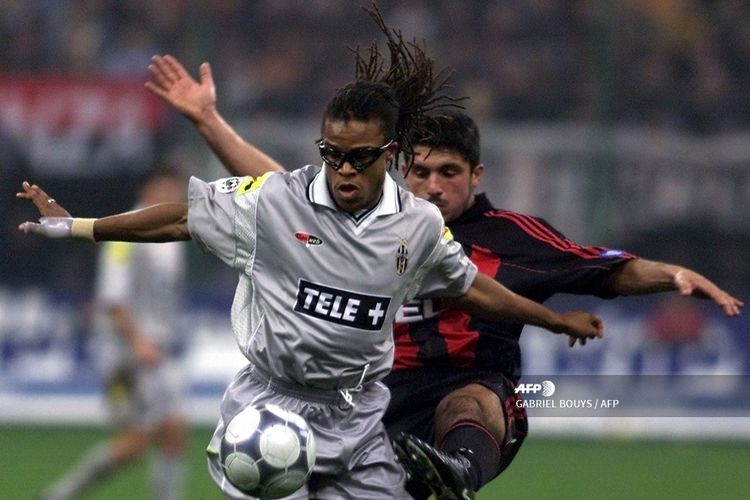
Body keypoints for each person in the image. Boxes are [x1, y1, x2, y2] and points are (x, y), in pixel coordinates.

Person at [142, 50, 744, 500]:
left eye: (449, 172)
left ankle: (458, 472)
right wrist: (208, 121)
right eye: (421, 172)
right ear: (400, 170)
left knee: (473, 399)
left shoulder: (512, 237)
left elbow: (608, 270)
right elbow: (276, 189)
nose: (433, 185)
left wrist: (677, 276)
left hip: (472, 394)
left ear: (476, 175)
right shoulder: (374, 225)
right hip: (378, 404)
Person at [16, 41, 606, 500]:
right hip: (270, 407)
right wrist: (79, 226)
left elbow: (472, 288)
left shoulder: (419, 225)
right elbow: (180, 219)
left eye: (359, 157)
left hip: (359, 414)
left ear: (390, 156)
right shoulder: (276, 200)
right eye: (331, 154)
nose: (342, 169)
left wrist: (549, 321)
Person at [38, 168, 188, 500]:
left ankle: (59, 493)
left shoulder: (168, 231)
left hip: (151, 346)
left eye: (174, 189)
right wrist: (138, 342)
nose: (171, 195)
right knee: (156, 433)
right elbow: (112, 296)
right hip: (128, 351)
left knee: (157, 435)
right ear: (147, 188)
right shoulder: (126, 230)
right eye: (164, 187)